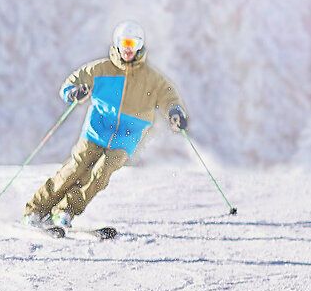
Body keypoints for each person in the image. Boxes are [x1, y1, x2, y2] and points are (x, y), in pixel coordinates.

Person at [23, 20, 188, 231]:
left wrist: (175, 112)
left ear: (140, 46)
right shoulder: (101, 69)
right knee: (74, 169)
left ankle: (65, 210)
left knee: (101, 174)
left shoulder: (151, 79)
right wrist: (74, 92)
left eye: (133, 44)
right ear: (117, 44)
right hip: (96, 131)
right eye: (124, 43)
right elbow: (70, 84)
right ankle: (35, 209)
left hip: (127, 137)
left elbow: (168, 96)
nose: (128, 49)